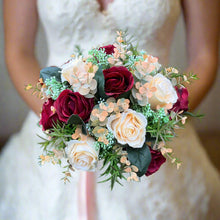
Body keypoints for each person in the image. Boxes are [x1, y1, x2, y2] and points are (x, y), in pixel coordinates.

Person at [1, 0, 220, 219]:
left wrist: (154, 121)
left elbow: (204, 56)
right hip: (57, 130)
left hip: (152, 133)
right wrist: (63, 120)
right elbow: (19, 53)